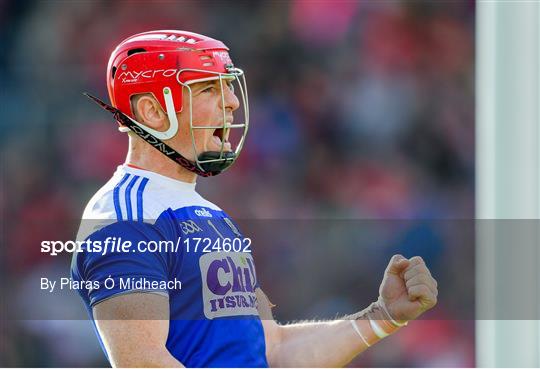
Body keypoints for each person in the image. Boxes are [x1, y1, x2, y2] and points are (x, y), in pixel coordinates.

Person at [71, 30, 438, 368]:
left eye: (228, 88)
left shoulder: (210, 216)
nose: (231, 103)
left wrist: (381, 317)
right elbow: (143, 362)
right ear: (152, 110)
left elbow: (272, 350)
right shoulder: (125, 217)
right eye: (208, 89)